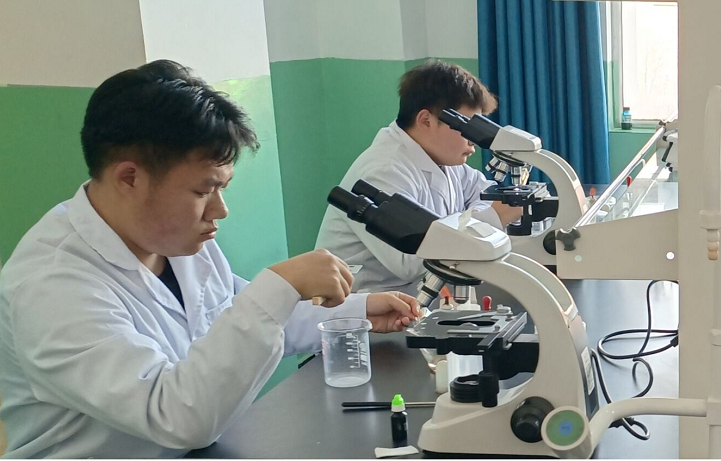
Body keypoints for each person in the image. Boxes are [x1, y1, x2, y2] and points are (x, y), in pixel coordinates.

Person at [0, 60, 419, 458]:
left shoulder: (173, 242)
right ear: (129, 177)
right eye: (203, 191)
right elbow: (176, 415)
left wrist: (357, 310)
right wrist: (282, 283)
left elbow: (243, 321)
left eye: (222, 189)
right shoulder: (51, 286)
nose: (220, 210)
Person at [316, 60, 522, 291]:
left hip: (420, 293)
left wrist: (471, 222)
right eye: (466, 129)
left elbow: (484, 195)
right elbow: (410, 261)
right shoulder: (384, 170)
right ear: (426, 120)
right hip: (368, 301)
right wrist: (491, 219)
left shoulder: (444, 158)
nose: (473, 140)